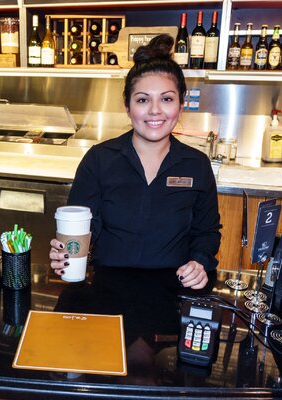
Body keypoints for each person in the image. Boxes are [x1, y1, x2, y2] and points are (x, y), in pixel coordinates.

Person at [49, 34, 221, 291]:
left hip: (172, 292)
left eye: (166, 99)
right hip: (106, 289)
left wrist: (199, 262)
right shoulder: (99, 159)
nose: (155, 110)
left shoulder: (196, 165)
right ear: (127, 107)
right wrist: (66, 251)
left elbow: (207, 232)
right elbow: (83, 225)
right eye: (142, 100)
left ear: (181, 104)